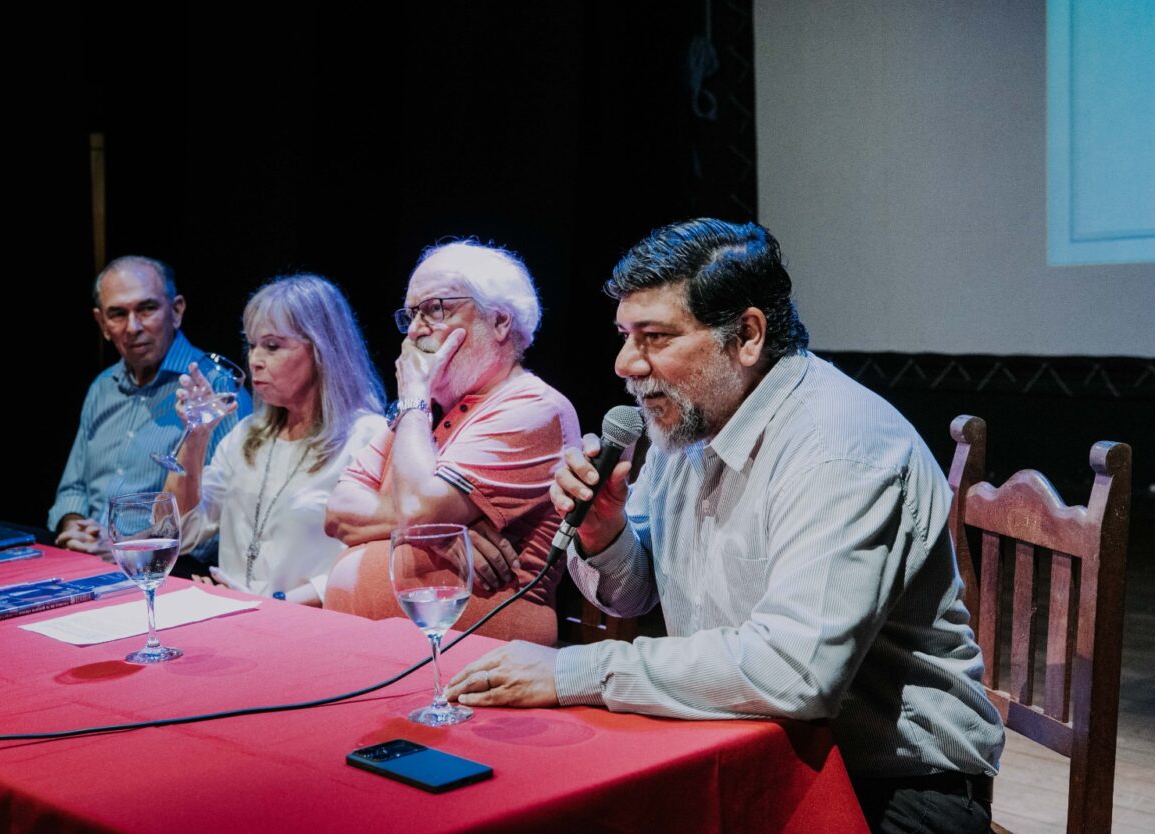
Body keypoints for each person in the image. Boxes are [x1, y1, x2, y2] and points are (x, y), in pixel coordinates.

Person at [444, 220, 1005, 834]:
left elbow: (795, 672)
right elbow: (636, 592)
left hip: (891, 788)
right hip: (743, 746)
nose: (626, 363)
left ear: (747, 335)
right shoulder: (689, 421)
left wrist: (575, 671)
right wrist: (605, 536)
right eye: (626, 335)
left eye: (654, 337)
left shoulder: (837, 448)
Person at [324, 240, 581, 645]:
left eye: (434, 309)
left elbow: (418, 509)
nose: (414, 331)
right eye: (410, 314)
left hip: (477, 659)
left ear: (499, 322)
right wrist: (447, 531)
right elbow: (338, 514)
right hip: (378, 651)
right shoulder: (424, 413)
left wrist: (413, 394)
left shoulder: (533, 407)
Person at [164, 274, 385, 604]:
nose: (254, 360)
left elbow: (377, 560)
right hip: (235, 620)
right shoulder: (246, 436)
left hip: (313, 626)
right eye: (252, 345)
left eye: (272, 346)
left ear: (321, 351)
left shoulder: (368, 437)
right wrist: (195, 439)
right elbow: (178, 535)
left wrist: (277, 603)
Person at [49, 256, 249, 553]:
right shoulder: (103, 388)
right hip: (85, 562)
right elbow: (73, 489)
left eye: (147, 309)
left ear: (177, 310)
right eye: (117, 314)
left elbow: (232, 519)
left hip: (167, 570)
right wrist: (73, 525)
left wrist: (128, 548)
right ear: (102, 323)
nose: (133, 327)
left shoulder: (214, 390)